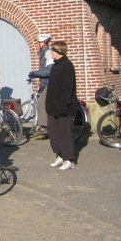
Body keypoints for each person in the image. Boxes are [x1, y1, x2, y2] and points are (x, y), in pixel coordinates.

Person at [45, 41, 78, 171]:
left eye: (53, 51)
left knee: (65, 134)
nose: (51, 53)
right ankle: (59, 155)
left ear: (59, 52)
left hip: (64, 108)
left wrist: (64, 106)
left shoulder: (66, 66)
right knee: (54, 132)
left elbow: (67, 88)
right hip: (53, 107)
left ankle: (69, 158)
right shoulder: (55, 66)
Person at [28, 34, 54, 139]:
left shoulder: (48, 53)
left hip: (49, 83)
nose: (37, 45)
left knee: (40, 102)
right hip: (45, 83)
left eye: (38, 43)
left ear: (43, 43)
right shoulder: (43, 54)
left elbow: (49, 71)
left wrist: (35, 73)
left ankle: (44, 126)